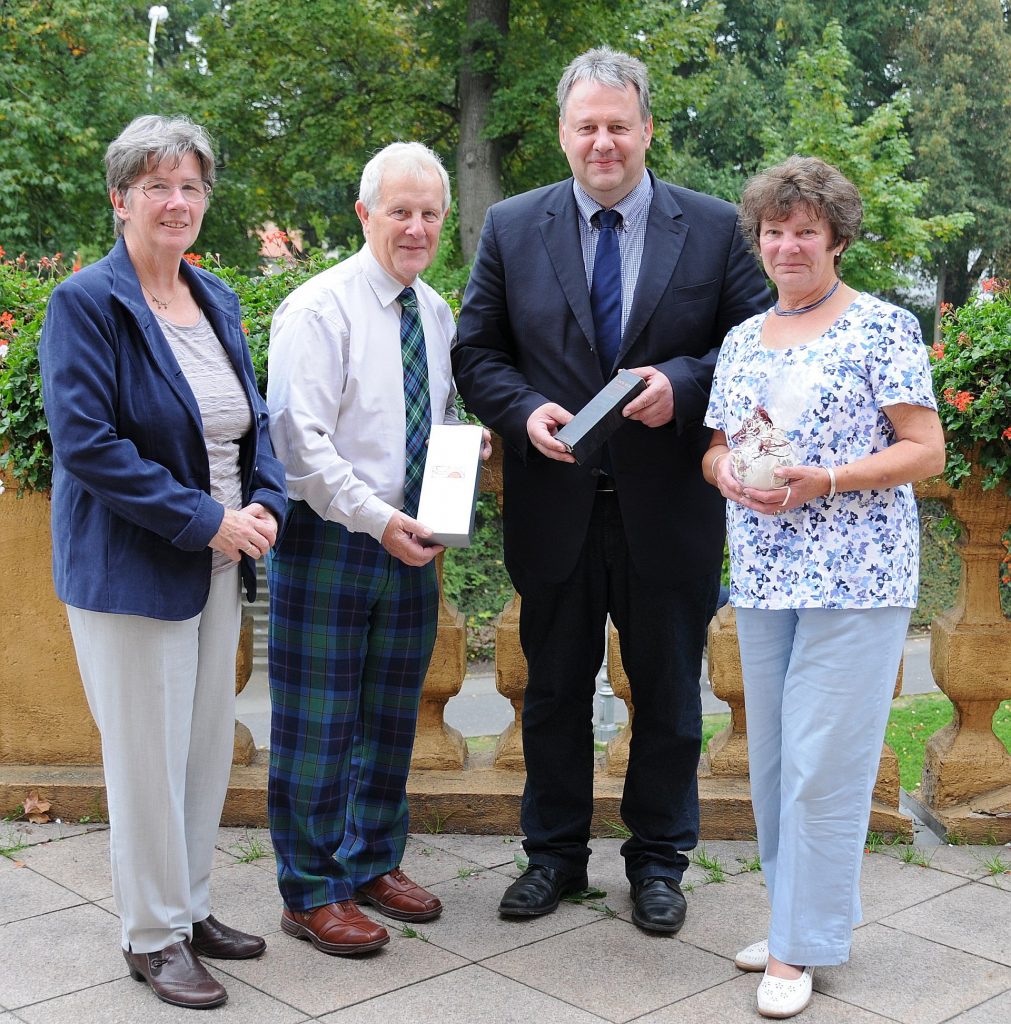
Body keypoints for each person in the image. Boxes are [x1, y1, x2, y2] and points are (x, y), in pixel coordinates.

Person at [451, 47, 768, 933]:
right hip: (552, 508)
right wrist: (522, 413)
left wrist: (683, 383)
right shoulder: (513, 226)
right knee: (551, 690)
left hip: (667, 509)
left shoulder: (710, 227)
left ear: (646, 129)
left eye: (617, 126)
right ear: (562, 132)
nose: (602, 143)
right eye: (585, 126)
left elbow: (754, 345)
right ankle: (552, 856)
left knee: (667, 694)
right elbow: (476, 352)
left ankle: (659, 862)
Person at [38, 115, 287, 1010]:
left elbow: (253, 421)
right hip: (134, 568)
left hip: (220, 559)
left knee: (201, 749)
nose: (176, 202)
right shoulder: (87, 304)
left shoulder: (214, 294)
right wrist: (206, 520)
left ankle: (188, 907)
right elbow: (89, 445)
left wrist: (262, 503)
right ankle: (150, 936)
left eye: (189, 186)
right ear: (120, 199)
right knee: (145, 758)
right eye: (156, 186)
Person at [703, 155, 945, 1019]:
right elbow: (715, 446)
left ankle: (799, 948)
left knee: (821, 763)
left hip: (858, 574)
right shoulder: (741, 339)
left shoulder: (882, 327)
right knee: (771, 763)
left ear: (836, 237)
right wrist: (727, 471)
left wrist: (828, 478)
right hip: (764, 575)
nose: (787, 244)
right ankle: (793, 921)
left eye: (805, 229)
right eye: (774, 230)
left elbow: (925, 450)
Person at [266, 141, 490, 956]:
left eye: (430, 213)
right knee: (317, 725)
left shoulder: (434, 310)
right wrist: (374, 517)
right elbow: (299, 442)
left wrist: (466, 456)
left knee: (389, 718)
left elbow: (425, 424)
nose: (416, 226)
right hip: (331, 537)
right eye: (400, 210)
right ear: (364, 214)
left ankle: (368, 863)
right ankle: (310, 889)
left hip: (410, 542)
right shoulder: (318, 308)